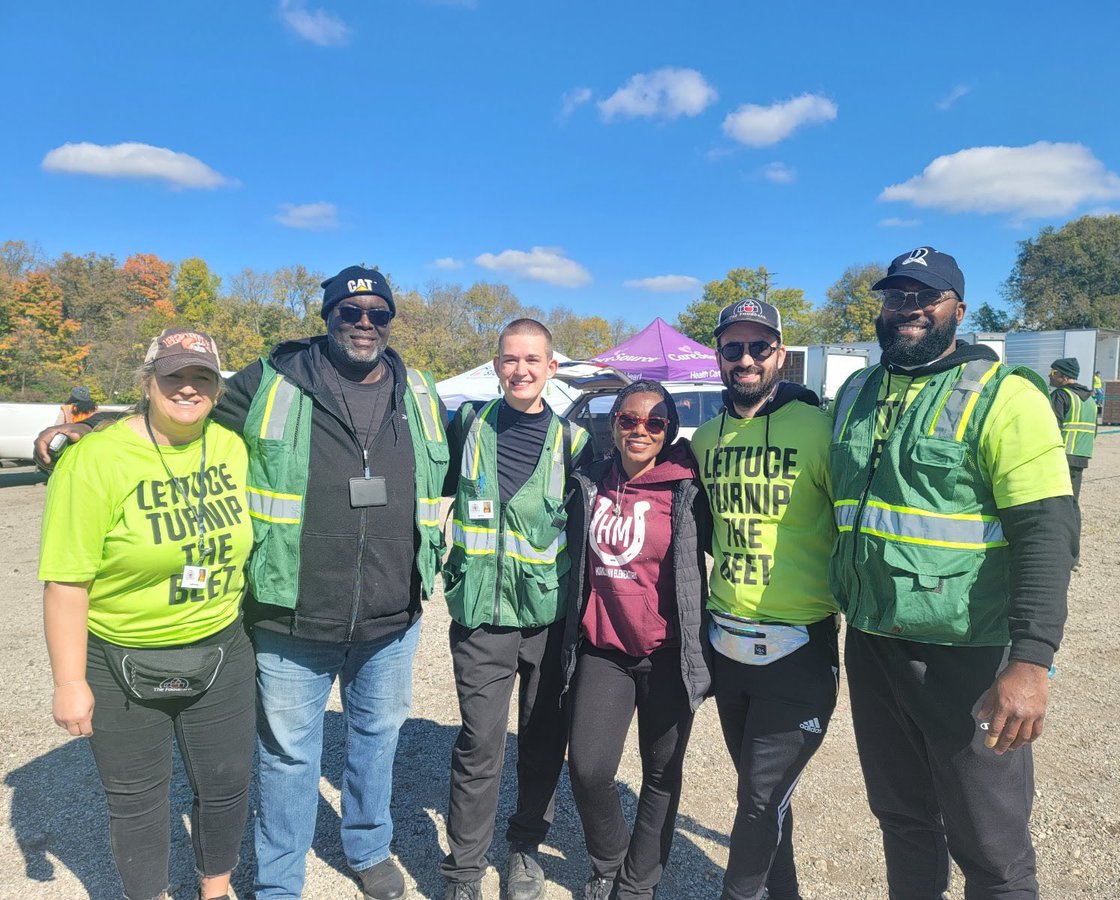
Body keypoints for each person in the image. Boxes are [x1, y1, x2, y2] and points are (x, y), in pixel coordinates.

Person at [37, 266, 450, 900]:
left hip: (391, 617)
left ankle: (368, 848)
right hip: (292, 616)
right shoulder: (270, 380)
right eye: (349, 311)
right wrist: (89, 427)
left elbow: (472, 452)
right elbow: (182, 406)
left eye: (378, 313)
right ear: (328, 318)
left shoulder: (419, 392)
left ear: (391, 321)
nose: (364, 323)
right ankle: (281, 882)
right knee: (288, 757)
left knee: (377, 740)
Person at [828, 247, 1076, 899]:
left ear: (958, 311)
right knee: (903, 820)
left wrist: (1032, 662)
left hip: (967, 657)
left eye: (925, 297)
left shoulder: (1005, 396)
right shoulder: (855, 393)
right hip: (874, 645)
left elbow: (1047, 532)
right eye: (896, 296)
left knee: (992, 849)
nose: (907, 308)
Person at [39, 329, 255, 900]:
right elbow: (65, 581)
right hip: (120, 656)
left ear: (217, 388)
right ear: (147, 382)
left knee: (227, 785)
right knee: (136, 799)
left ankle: (215, 890)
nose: (188, 388)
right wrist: (69, 682)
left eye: (201, 377)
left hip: (221, 645)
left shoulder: (233, 447)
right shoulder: (94, 461)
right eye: (173, 375)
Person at [690, 299, 838, 900]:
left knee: (758, 798)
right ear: (719, 357)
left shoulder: (821, 430)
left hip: (798, 646)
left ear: (781, 353)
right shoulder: (705, 439)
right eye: (733, 348)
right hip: (727, 645)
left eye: (759, 347)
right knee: (765, 797)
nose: (746, 359)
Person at [440, 318, 591, 900]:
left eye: (532, 360)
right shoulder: (467, 426)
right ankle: (464, 871)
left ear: (552, 367)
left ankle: (525, 847)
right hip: (480, 618)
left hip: (549, 621)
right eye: (510, 359)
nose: (520, 370)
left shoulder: (574, 442)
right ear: (496, 364)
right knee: (480, 744)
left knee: (541, 739)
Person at [561, 380, 712, 900]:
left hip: (668, 654)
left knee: (661, 775)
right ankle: (609, 860)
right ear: (613, 424)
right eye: (628, 419)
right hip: (605, 649)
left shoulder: (687, 489)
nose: (640, 430)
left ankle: (637, 883)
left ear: (669, 430)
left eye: (654, 422)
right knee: (588, 768)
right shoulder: (590, 481)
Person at [1049, 357, 1097, 568]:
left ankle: (1057, 554)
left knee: (1055, 506)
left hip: (1060, 457)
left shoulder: (1061, 396)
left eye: (1053, 373)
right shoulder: (1090, 400)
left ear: (1063, 376)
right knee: (1072, 505)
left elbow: (1050, 428)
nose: (1050, 376)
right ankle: (1073, 556)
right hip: (1080, 458)